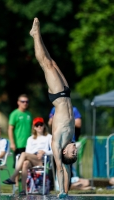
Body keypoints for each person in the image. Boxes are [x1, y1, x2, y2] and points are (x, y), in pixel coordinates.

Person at [29, 18, 77, 198]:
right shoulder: (70, 137)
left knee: (45, 64)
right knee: (53, 62)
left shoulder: (57, 143)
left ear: (65, 152)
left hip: (58, 96)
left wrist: (62, 193)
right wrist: (67, 189)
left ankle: (35, 35)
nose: (75, 149)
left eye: (73, 151)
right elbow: (68, 170)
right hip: (66, 93)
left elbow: (61, 167)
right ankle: (36, 36)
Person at [3, 117, 52, 195]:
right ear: (34, 127)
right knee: (25, 163)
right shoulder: (30, 139)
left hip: (42, 160)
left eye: (41, 124)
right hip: (32, 157)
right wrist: (35, 153)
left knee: (23, 154)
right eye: (37, 125)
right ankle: (23, 190)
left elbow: (53, 151)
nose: (39, 126)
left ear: (44, 126)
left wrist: (44, 151)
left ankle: (13, 177)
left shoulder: (49, 137)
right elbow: (28, 152)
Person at [8, 93, 32, 187]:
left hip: (29, 145)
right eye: (23, 101)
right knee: (17, 165)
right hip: (18, 144)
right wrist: (12, 143)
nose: (25, 103)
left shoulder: (29, 114)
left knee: (26, 165)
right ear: (18, 102)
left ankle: (25, 184)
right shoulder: (14, 114)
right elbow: (10, 128)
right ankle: (16, 184)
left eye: (27, 101)